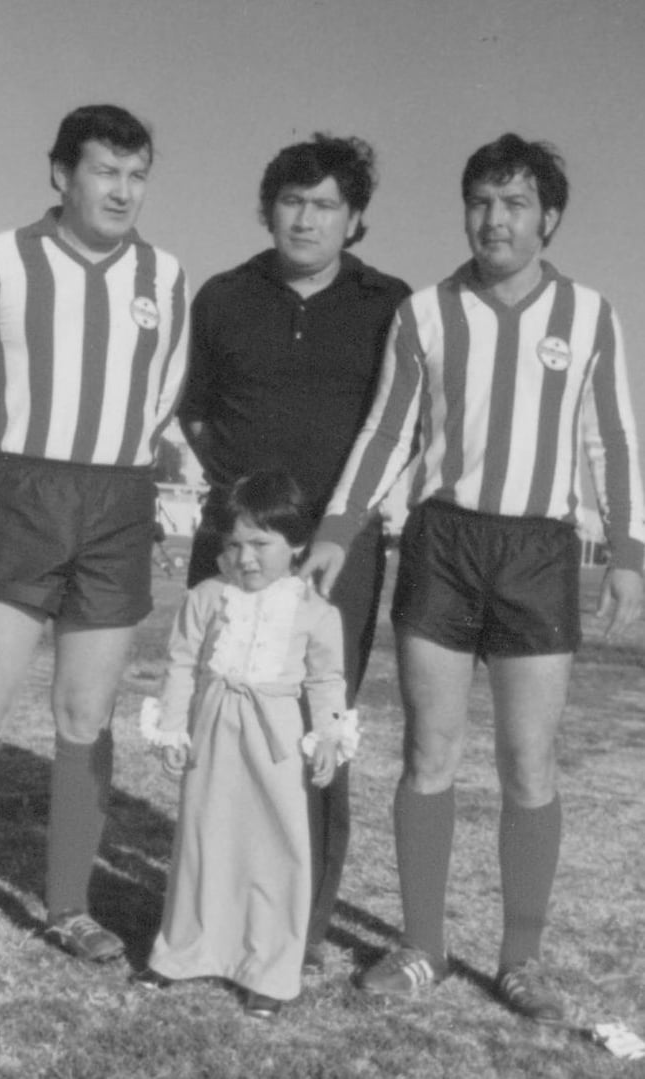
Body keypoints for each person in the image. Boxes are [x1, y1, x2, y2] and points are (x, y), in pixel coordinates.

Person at [301, 133, 645, 1022]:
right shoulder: (425, 313)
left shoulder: (592, 315)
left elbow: (615, 442)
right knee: (429, 751)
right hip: (443, 544)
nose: (496, 219)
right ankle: (422, 947)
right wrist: (340, 528)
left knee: (529, 759)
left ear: (550, 218)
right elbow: (388, 432)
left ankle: (521, 958)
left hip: (538, 551)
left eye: (516, 203)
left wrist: (630, 557)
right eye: (483, 201)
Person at [0, 104, 190, 970]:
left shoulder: (166, 274)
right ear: (62, 175)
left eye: (137, 173)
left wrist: (121, 465)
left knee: (86, 710)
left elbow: (167, 389)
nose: (122, 189)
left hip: (117, 501)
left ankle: (68, 904)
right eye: (106, 170)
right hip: (22, 490)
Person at [178, 134, 410, 968]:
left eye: (324, 205)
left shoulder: (392, 305)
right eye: (291, 201)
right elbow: (195, 413)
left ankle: (299, 924)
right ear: (268, 209)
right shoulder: (224, 297)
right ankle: (213, 906)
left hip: (336, 557)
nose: (305, 218)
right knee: (223, 720)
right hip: (233, 548)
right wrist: (249, 517)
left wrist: (332, 528)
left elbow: (403, 426)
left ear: (355, 221)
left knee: (314, 728)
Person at [136, 471, 358, 1019]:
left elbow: (327, 681)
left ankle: (270, 970)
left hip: (276, 738)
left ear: (297, 545)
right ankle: (183, 951)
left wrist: (329, 735)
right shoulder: (207, 597)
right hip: (213, 730)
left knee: (277, 849)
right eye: (233, 545)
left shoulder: (315, 610)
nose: (246, 558)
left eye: (262, 544)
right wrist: (173, 727)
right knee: (202, 839)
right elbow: (183, 663)